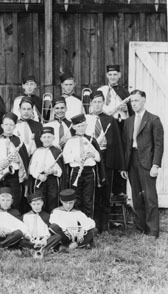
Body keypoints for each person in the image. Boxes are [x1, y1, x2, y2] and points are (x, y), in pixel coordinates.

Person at [121, 90, 164, 239]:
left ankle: (153, 231)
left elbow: (159, 145)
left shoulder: (153, 120)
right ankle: (141, 228)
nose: (134, 104)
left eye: (137, 101)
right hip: (132, 161)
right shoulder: (129, 121)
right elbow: (126, 144)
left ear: (144, 100)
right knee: (136, 196)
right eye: (132, 101)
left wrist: (155, 165)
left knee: (149, 197)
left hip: (146, 162)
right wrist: (124, 166)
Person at [85, 91, 125, 232]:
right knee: (92, 193)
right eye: (95, 102)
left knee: (105, 192)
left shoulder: (110, 120)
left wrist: (107, 142)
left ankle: (104, 225)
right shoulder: (86, 119)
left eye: (100, 102)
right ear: (91, 103)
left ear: (103, 103)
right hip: (91, 161)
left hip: (106, 161)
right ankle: (93, 225)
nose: (97, 105)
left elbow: (116, 143)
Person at [62, 113, 103, 218]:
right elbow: (65, 157)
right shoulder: (70, 141)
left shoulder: (90, 140)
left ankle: (88, 223)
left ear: (86, 126)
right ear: (74, 127)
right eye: (78, 126)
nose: (81, 128)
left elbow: (98, 157)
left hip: (89, 172)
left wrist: (92, 155)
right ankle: (77, 223)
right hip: (76, 171)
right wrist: (75, 159)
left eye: (83, 125)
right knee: (76, 198)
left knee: (88, 198)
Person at [0, 112, 29, 210]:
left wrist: (19, 160)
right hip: (1, 174)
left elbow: (25, 159)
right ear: (2, 126)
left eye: (11, 125)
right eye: (6, 125)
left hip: (13, 176)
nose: (8, 127)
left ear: (15, 126)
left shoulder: (18, 141)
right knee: (1, 200)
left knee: (15, 200)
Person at [29, 126, 63, 213]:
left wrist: (53, 171)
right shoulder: (37, 152)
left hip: (52, 180)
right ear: (40, 138)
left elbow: (61, 171)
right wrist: (38, 175)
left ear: (53, 138)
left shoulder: (57, 152)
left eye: (49, 137)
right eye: (44, 137)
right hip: (40, 179)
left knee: (53, 199)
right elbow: (32, 169)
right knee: (40, 200)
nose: (46, 139)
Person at [19, 191, 62, 256]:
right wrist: (30, 238)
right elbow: (24, 230)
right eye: (34, 204)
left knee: (58, 237)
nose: (36, 206)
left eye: (38, 204)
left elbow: (48, 231)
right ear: (30, 205)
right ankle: (40, 248)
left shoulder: (47, 216)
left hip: (44, 239)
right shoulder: (25, 216)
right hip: (31, 239)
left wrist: (45, 239)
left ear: (42, 203)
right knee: (21, 241)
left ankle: (39, 249)